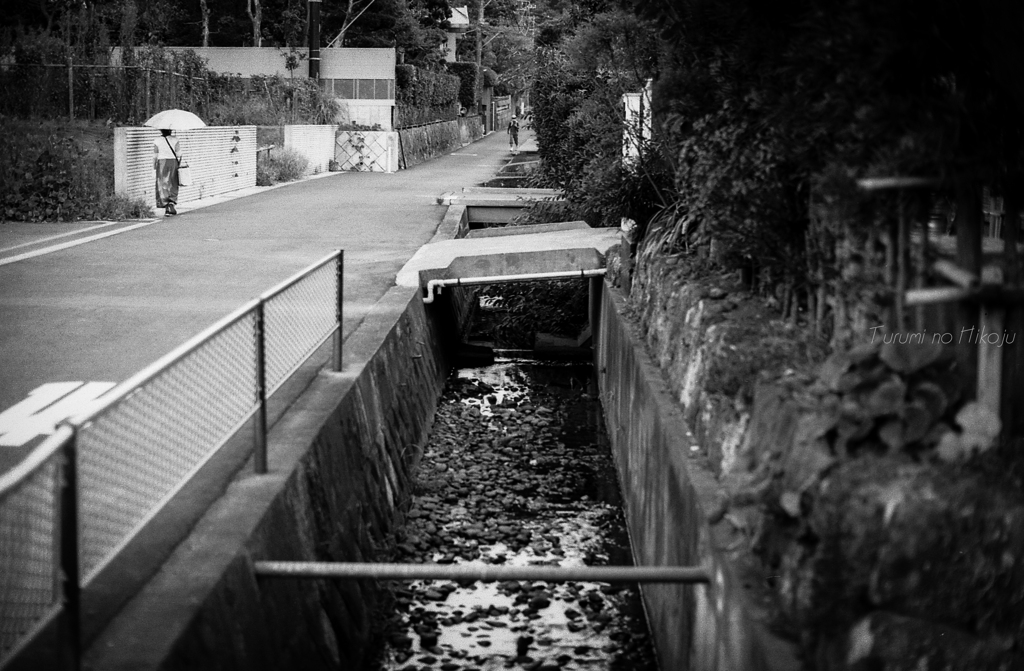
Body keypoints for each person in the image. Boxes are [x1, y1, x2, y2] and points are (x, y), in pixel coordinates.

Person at [153, 129, 182, 216]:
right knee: (173, 183)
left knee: (162, 184)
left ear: (161, 130)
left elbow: (155, 156)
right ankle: (172, 204)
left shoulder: (157, 140)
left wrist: (154, 168)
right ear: (171, 130)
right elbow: (179, 154)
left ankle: (166, 206)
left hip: (161, 163)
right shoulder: (175, 139)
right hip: (173, 163)